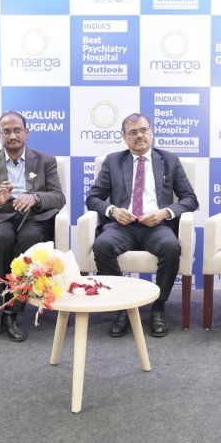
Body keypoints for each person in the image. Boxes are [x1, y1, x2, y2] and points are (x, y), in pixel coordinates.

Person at [86, 113, 198, 338]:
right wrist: (113, 211)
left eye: (144, 130)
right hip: (122, 226)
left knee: (171, 247)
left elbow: (190, 199)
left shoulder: (169, 160)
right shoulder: (113, 161)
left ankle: (158, 307)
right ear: (124, 137)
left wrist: (164, 213)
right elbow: (93, 198)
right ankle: (122, 307)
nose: (140, 136)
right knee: (102, 246)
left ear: (152, 132)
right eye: (133, 132)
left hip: (157, 226)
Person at [0, 111, 66, 342]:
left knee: (29, 240)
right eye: (7, 131)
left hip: (32, 218)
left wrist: (35, 198)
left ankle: (12, 313)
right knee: (1, 238)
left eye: (17, 130)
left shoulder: (45, 161)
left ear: (26, 133)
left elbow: (58, 197)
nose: (12, 136)